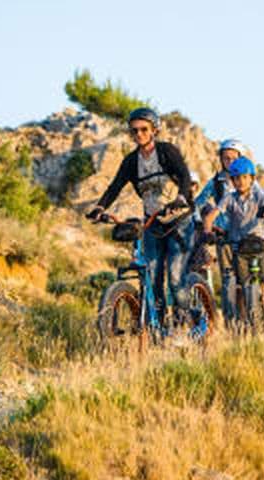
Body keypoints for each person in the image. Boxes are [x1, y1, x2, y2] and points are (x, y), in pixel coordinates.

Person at [86, 107, 194, 320]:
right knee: (153, 279)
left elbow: (184, 176)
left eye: (144, 129)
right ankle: (160, 328)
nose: (139, 135)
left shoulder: (166, 151)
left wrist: (181, 197)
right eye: (134, 131)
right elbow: (115, 186)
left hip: (179, 220)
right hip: (153, 223)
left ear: (155, 130)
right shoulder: (131, 161)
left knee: (174, 277)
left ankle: (187, 319)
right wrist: (100, 208)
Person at [202, 156, 264, 324]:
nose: (240, 182)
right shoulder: (229, 198)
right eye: (236, 178)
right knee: (244, 282)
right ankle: (246, 318)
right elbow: (212, 215)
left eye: (244, 177)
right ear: (232, 181)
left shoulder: (258, 195)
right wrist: (207, 230)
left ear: (252, 179)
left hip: (257, 244)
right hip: (239, 247)